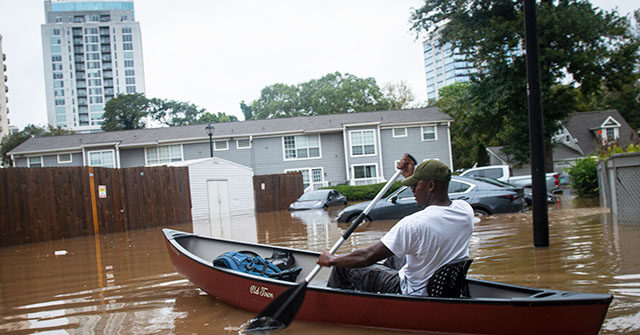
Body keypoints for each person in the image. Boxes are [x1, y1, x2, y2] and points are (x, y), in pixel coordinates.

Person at [317, 156, 474, 296]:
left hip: (410, 290)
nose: (412, 191)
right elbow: (433, 213)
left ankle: (335, 303)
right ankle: (374, 288)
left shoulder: (413, 224)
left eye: (415, 186)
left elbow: (366, 256)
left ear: (431, 186)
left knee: (344, 265)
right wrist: (414, 175)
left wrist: (332, 259)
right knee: (394, 253)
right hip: (442, 285)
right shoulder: (465, 210)